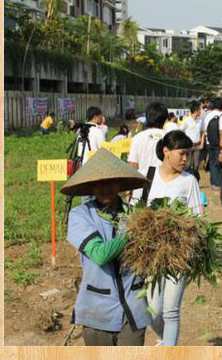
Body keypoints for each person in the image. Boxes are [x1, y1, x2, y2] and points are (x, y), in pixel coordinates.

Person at [61, 147, 151, 346]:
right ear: (91, 187)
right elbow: (100, 255)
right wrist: (130, 232)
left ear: (119, 183)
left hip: (133, 308)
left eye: (110, 181)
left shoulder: (136, 213)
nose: (105, 187)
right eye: (99, 183)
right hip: (97, 311)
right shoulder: (80, 215)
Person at [146, 131, 201, 346]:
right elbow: (135, 209)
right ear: (166, 152)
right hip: (150, 253)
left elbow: (197, 217)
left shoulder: (189, 182)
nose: (186, 159)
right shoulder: (148, 175)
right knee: (153, 310)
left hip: (179, 254)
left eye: (188, 154)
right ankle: (162, 339)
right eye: (182, 154)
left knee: (170, 310)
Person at [127, 102, 168, 203]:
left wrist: (128, 191)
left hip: (141, 188)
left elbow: (132, 166)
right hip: (164, 187)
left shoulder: (137, 138)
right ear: (165, 119)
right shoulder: (169, 137)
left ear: (147, 117)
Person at [181, 100, 202, 179]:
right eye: (200, 110)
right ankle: (185, 179)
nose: (201, 111)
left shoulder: (200, 121)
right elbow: (180, 130)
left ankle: (195, 180)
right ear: (196, 110)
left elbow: (202, 132)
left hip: (197, 145)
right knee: (187, 164)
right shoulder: (187, 120)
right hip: (188, 146)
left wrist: (201, 142)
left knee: (196, 165)